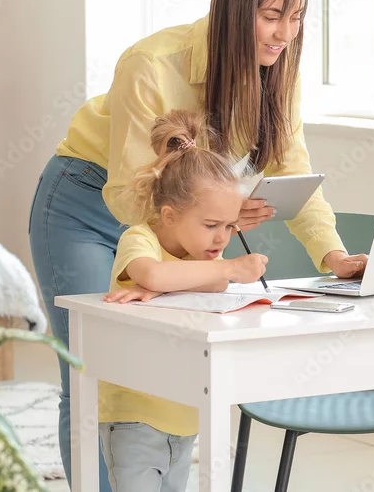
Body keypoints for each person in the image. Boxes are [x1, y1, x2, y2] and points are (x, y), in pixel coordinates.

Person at [28, 0, 368, 490]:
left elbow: (294, 173)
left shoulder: (278, 72)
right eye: (271, 17)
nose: (285, 34)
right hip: (87, 201)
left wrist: (335, 256)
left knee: (157, 371)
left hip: (177, 222)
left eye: (296, 18)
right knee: (91, 371)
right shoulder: (150, 64)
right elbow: (130, 194)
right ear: (235, 10)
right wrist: (210, 218)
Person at [97, 110, 267, 491]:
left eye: (229, 226)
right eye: (211, 225)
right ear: (170, 215)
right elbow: (152, 273)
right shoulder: (139, 239)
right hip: (136, 415)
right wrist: (229, 268)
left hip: (185, 415)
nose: (221, 239)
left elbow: (212, 285)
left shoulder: (200, 256)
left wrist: (166, 288)